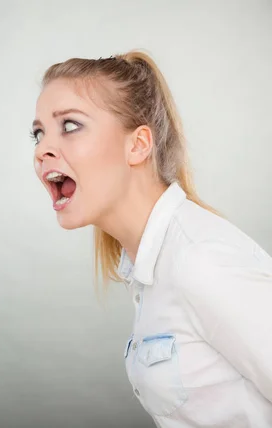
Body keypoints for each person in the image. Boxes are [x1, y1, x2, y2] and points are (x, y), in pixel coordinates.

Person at [31, 51, 272, 427]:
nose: (41, 149)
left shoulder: (201, 261)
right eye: (38, 132)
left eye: (71, 125)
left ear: (138, 145)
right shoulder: (148, 264)